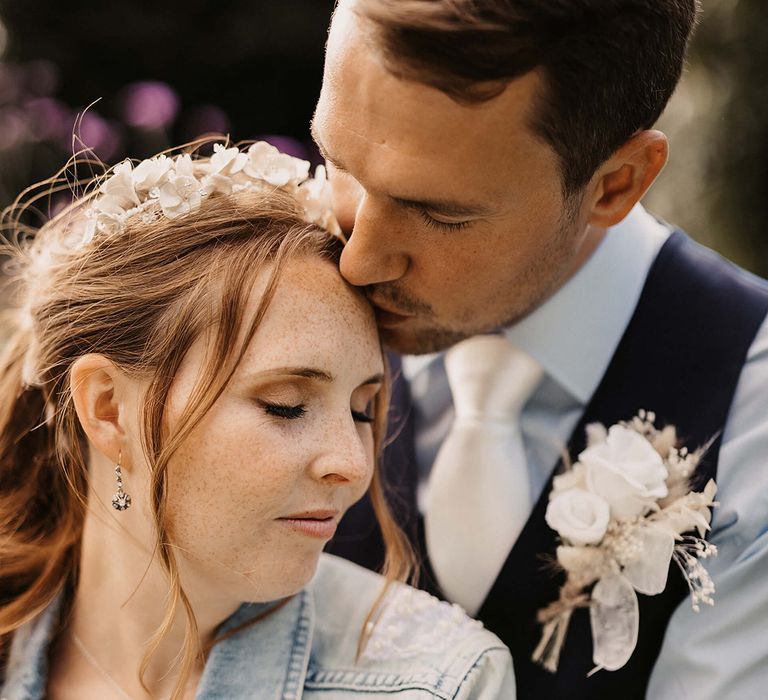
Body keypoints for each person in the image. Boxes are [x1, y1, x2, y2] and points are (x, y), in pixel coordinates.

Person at [314, 1, 768, 698]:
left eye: (440, 213)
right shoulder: (250, 320)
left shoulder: (754, 414)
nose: (358, 260)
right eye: (335, 163)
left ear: (616, 183)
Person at [0, 141, 514, 699]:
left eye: (362, 409)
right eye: (286, 405)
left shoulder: (436, 683)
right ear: (108, 409)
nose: (352, 464)